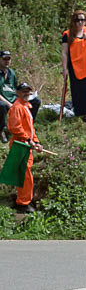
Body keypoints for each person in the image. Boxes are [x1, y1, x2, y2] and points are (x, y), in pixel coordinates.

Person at [61, 10, 86, 125]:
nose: (80, 22)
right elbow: (64, 53)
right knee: (80, 92)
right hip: (75, 67)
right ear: (73, 21)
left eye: (82, 20)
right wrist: (64, 69)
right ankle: (85, 115)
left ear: (85, 21)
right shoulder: (67, 34)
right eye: (78, 20)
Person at [7, 83, 43, 214]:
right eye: (24, 91)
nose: (26, 94)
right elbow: (15, 127)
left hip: (26, 145)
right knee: (24, 175)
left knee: (25, 173)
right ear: (18, 93)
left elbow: (30, 129)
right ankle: (23, 203)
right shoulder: (17, 107)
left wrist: (36, 142)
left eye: (28, 91)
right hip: (20, 145)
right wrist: (28, 140)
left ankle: (25, 199)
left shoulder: (26, 106)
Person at [0, 50, 41, 143]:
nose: (7, 61)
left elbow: (15, 89)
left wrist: (25, 96)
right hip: (3, 100)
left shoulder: (12, 73)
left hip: (14, 98)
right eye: (4, 59)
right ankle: (1, 130)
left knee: (36, 101)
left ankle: (27, 126)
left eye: (8, 59)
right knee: (1, 105)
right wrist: (10, 104)